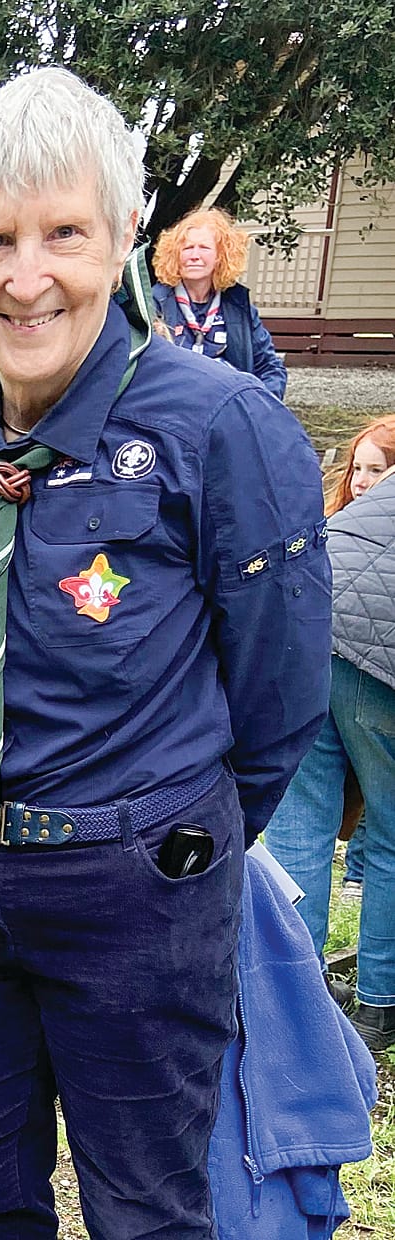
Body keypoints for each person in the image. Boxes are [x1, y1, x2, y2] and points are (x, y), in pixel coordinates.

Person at [0, 69, 330, 1238]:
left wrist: (163, 835)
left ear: (125, 234)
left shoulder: (223, 427)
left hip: (137, 895)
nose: (28, 277)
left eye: (64, 233)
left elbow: (279, 699)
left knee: (146, 1208)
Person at [263, 413, 395, 1052]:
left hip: (310, 628)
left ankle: (296, 997)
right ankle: (381, 1003)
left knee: (301, 826)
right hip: (380, 656)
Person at [151, 207, 288, 399]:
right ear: (175, 255)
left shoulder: (239, 305)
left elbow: (269, 366)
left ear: (220, 257)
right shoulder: (155, 303)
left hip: (229, 407)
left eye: (204, 248)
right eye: (187, 248)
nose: (194, 256)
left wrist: (260, 405)